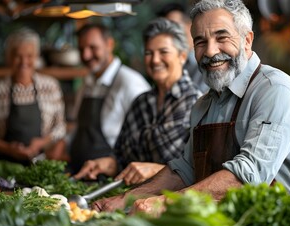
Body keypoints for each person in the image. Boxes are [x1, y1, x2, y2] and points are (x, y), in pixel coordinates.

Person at [92, 0, 290, 213]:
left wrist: (164, 203)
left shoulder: (274, 90)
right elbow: (184, 171)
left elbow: (248, 175)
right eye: (200, 42)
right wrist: (125, 199)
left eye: (221, 37)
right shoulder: (203, 105)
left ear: (247, 40)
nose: (210, 52)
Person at [73, 18, 201, 186]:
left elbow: (199, 170)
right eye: (149, 53)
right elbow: (121, 158)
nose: (155, 60)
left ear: (182, 56)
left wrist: (155, 170)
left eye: (163, 52)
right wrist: (107, 164)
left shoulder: (197, 103)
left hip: (171, 202)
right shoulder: (141, 102)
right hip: (130, 198)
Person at [67, 23, 151, 174]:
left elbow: (145, 140)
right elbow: (76, 126)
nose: (86, 55)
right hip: (79, 173)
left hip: (111, 180)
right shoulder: (86, 83)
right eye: (81, 49)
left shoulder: (130, 82)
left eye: (93, 48)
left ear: (110, 44)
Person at [0, 28, 66, 164]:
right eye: (18, 56)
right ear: (9, 58)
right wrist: (8, 148)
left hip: (41, 165)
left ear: (36, 57)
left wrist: (41, 143)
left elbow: (60, 127)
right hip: (4, 167)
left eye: (29, 56)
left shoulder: (51, 86)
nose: (24, 61)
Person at [157, 2, 209, 93]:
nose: (169, 33)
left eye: (174, 25)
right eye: (164, 30)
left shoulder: (207, 61)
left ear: (190, 25)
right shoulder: (169, 64)